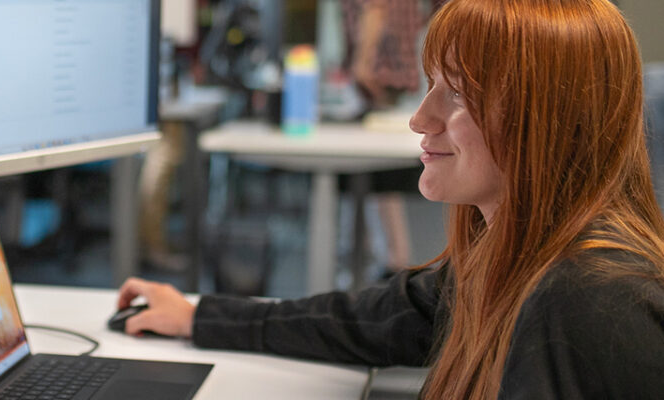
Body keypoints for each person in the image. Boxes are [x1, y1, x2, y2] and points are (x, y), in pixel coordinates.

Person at [116, 0, 664, 398]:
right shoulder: (511, 260)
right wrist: (198, 315)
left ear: (548, 119)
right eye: (430, 86)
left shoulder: (585, 303)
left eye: (458, 94)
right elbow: (372, 318)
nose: (419, 119)